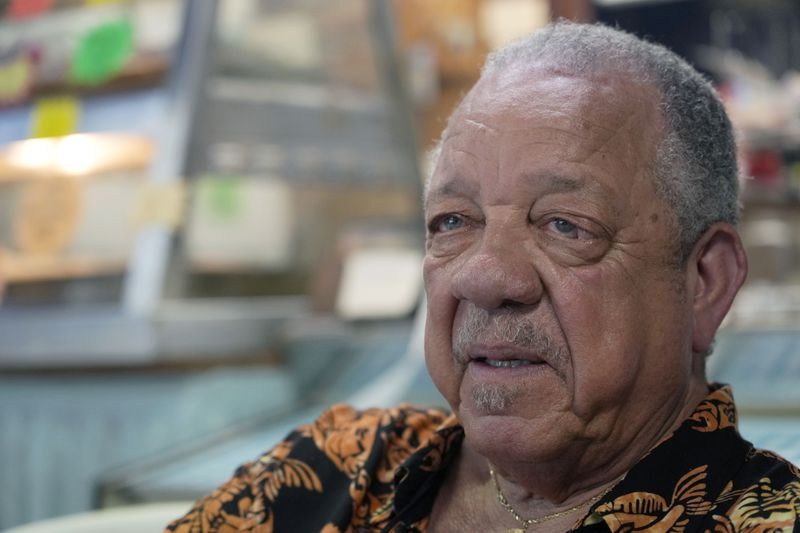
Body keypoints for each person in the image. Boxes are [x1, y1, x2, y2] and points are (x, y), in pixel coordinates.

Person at [166, 22, 800, 532]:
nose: (484, 277)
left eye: (564, 225)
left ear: (706, 281)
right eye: (452, 222)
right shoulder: (337, 469)